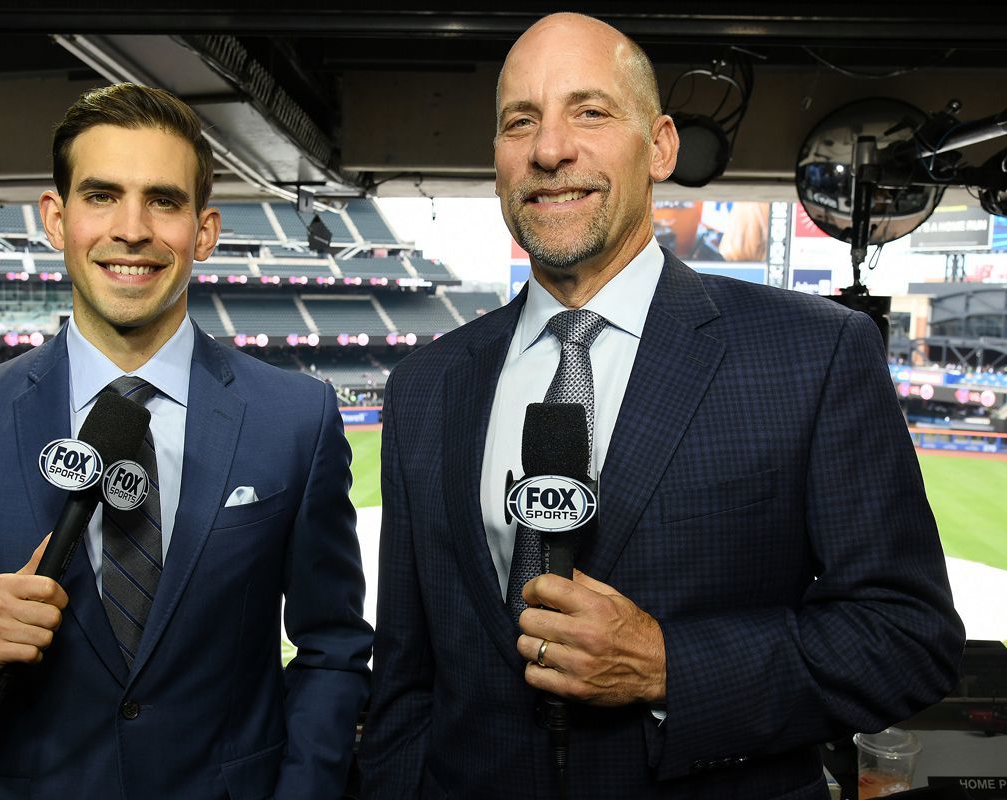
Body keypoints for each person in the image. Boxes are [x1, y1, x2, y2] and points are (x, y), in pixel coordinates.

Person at [359, 13, 962, 799]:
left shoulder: (812, 354)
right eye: (521, 122)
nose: (550, 149)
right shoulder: (426, 388)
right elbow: (407, 678)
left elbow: (907, 640)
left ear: (662, 146)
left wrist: (669, 667)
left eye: (591, 111)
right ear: (499, 161)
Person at [0, 83, 372, 799]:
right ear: (55, 218)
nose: (132, 229)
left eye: (163, 200)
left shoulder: (296, 416)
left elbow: (334, 646)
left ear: (206, 229)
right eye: (101, 196)